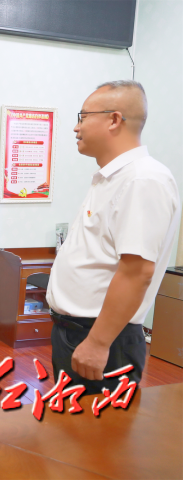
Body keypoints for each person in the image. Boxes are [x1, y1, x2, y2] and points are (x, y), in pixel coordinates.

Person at [47, 81, 180, 394]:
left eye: (83, 117)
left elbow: (137, 271)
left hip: (103, 336)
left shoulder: (142, 179)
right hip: (78, 332)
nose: (76, 127)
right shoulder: (111, 178)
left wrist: (97, 342)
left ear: (114, 120)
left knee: (97, 425)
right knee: (71, 422)